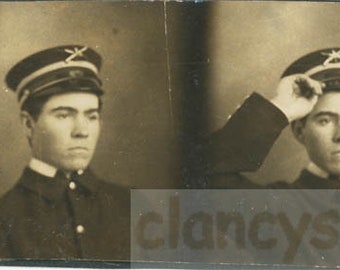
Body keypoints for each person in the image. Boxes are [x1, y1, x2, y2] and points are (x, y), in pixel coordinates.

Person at [0, 45, 130, 260]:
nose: (82, 131)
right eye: (64, 115)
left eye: (91, 116)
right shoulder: (6, 218)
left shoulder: (130, 205)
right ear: (28, 124)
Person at [205, 47, 340, 189]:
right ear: (300, 131)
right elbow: (199, 174)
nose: (339, 135)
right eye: (325, 120)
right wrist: (281, 108)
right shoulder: (277, 204)